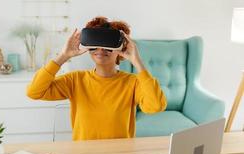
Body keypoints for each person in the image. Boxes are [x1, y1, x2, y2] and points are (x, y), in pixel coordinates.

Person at [26, 16, 167, 140]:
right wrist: (64, 56)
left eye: (108, 46)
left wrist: (137, 61)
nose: (100, 50)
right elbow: (34, 92)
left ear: (120, 49)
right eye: (95, 45)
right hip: (84, 153)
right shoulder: (75, 80)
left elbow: (156, 106)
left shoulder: (133, 83)